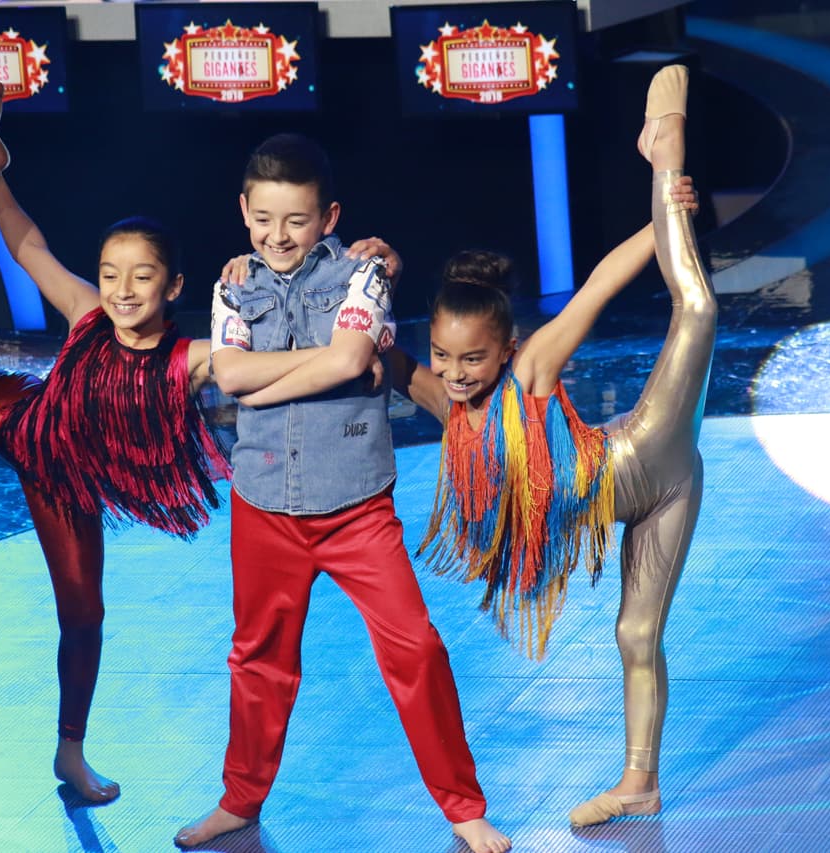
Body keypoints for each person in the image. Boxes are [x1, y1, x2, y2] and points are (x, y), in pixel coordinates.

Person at [0, 82, 229, 803]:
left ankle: (69, 752)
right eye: (110, 274)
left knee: (84, 617)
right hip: (17, 420)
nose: (122, 289)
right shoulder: (87, 311)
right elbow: (29, 244)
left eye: (141, 277)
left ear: (173, 286)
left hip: (69, 484)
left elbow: (268, 363)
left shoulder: (191, 357)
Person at [387, 65, 711, 827]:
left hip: (648, 453)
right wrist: (364, 268)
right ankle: (640, 784)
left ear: (505, 350)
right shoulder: (442, 400)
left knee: (697, 308)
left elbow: (596, 286)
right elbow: (372, 352)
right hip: (643, 504)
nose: (456, 373)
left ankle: (665, 151)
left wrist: (665, 213)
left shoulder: (530, 371)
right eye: (444, 356)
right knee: (636, 633)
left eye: (473, 359)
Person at [174, 134, 511, 853]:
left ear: (327, 217)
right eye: (264, 218)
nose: (278, 235)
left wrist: (275, 374)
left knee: (415, 647)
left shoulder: (366, 272)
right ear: (243, 209)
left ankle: (462, 806)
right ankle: (239, 801)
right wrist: (321, 363)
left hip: (356, 504)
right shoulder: (232, 286)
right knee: (258, 661)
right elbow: (230, 376)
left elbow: (350, 356)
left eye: (296, 220)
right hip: (263, 502)